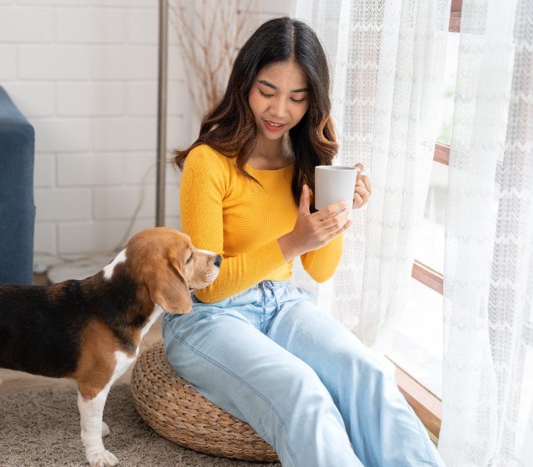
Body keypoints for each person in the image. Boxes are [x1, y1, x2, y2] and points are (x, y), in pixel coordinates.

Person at [164, 16, 444, 467]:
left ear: (313, 100)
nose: (279, 111)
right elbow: (206, 286)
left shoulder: (305, 161)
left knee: (368, 371)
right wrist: (294, 241)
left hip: (281, 303)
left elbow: (320, 270)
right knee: (303, 391)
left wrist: (336, 214)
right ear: (244, 84)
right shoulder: (209, 161)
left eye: (297, 98)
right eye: (267, 91)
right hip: (208, 317)